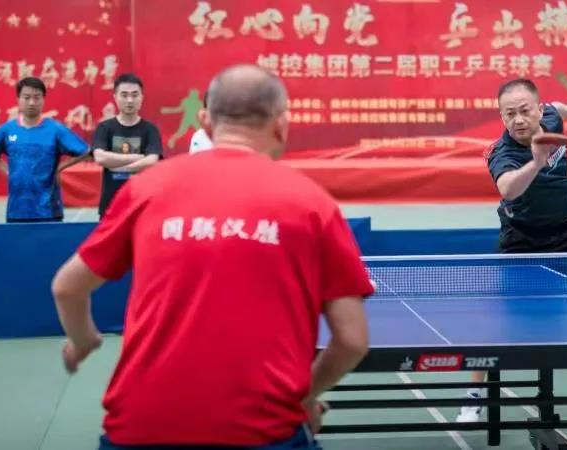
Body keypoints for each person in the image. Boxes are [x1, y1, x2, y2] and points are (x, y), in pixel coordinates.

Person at [51, 64, 372, 450]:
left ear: (204, 122)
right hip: (264, 430)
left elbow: (67, 287)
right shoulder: (313, 204)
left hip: (140, 428)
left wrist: (84, 340)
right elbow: (352, 340)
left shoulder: (146, 189)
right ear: (282, 124)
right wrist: (304, 395)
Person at [456, 78, 567, 423]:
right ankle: (473, 396)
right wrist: (536, 161)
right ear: (501, 117)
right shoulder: (501, 153)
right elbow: (508, 189)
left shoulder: (551, 117)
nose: (517, 119)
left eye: (524, 111)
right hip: (521, 240)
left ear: (538, 109)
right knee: (494, 321)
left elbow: (560, 109)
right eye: (509, 114)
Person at [0, 77, 89, 223]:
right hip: (17, 209)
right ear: (18, 99)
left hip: (48, 210)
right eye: (26, 97)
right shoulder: (7, 129)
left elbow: (84, 151)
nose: (32, 102)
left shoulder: (55, 129)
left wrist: (60, 167)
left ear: (43, 100)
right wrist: (9, 171)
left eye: (37, 97)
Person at [91, 73, 163, 218]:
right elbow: (100, 158)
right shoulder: (104, 128)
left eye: (135, 95)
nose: (129, 100)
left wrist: (117, 166)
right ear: (115, 97)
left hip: (141, 204)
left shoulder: (150, 130)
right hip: (111, 206)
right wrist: (137, 158)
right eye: (124, 95)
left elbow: (152, 161)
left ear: (142, 97)